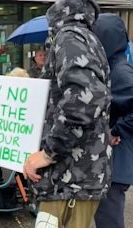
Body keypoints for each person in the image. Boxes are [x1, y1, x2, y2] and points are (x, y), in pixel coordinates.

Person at [22, 1, 112, 228]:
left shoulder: (69, 37)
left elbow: (86, 96)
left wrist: (48, 153)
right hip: (73, 178)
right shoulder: (83, 37)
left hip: (70, 179)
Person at [93, 13, 133, 228]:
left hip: (115, 165)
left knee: (109, 221)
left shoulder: (120, 72)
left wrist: (116, 131)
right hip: (110, 164)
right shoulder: (111, 68)